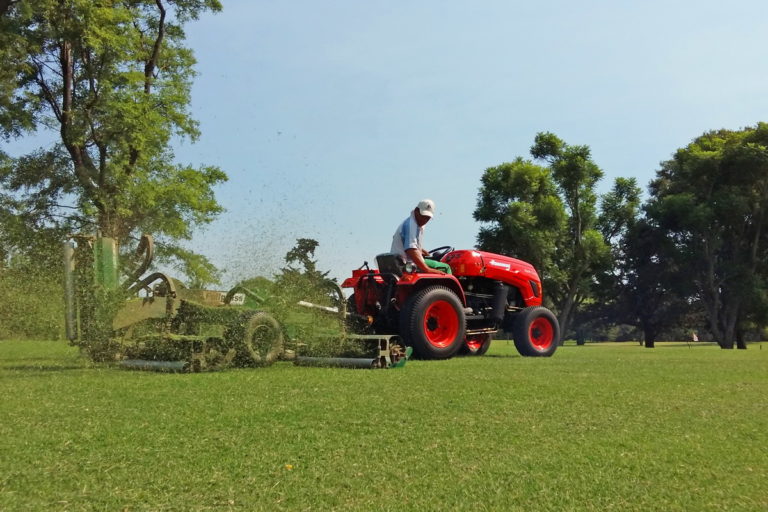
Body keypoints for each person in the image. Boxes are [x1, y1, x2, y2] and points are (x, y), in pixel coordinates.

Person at [390, 199, 451, 274]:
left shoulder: (414, 223)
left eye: (427, 218)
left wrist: (425, 252)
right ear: (416, 210)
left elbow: (410, 245)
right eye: (423, 216)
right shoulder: (411, 225)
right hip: (406, 263)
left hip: (401, 261)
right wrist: (427, 269)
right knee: (445, 267)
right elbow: (410, 249)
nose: (424, 220)